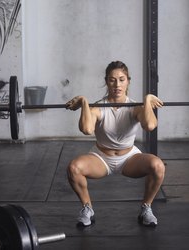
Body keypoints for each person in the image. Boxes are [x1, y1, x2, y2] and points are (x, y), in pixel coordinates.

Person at [65, 61, 165, 227]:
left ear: (128, 81)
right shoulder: (97, 107)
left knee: (158, 166)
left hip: (129, 159)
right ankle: (87, 208)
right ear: (106, 81)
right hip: (101, 158)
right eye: (112, 80)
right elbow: (87, 129)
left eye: (121, 79)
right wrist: (84, 102)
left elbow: (150, 125)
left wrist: (147, 100)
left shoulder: (136, 107)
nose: (117, 84)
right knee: (74, 168)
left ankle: (146, 208)